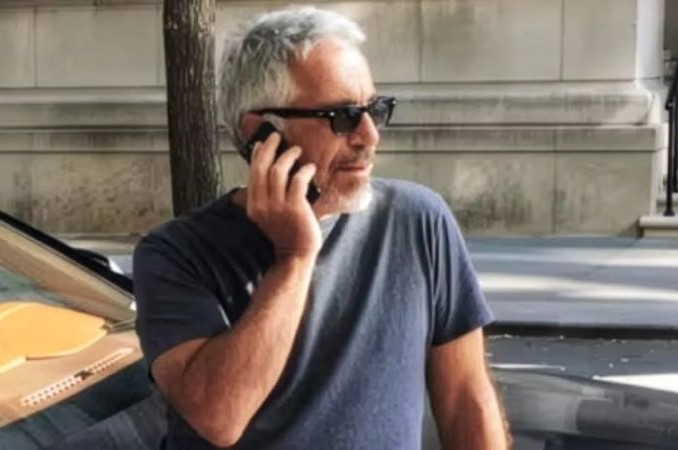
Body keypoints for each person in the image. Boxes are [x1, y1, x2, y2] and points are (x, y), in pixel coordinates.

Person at [134, 6, 508, 449]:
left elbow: (466, 399)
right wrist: (294, 258)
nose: (369, 136)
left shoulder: (418, 219)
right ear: (262, 134)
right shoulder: (176, 253)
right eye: (343, 116)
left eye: (375, 109)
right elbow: (219, 416)